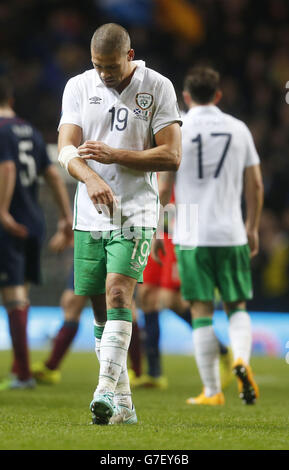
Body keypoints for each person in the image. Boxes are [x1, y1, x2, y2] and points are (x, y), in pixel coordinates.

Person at [57, 23, 182, 425]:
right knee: (100, 309)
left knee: (116, 295)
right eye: (98, 66)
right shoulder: (78, 86)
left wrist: (116, 155)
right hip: (89, 213)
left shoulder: (158, 86)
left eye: (111, 66)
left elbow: (172, 156)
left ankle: (104, 391)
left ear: (129, 56)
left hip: (137, 211)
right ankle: (124, 403)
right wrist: (90, 176)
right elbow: (65, 149)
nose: (104, 74)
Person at [157, 66, 263, 405]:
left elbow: (164, 185)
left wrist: (160, 228)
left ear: (186, 97)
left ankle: (213, 391)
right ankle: (241, 359)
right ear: (218, 95)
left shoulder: (178, 131)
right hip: (231, 231)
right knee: (237, 305)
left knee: (201, 309)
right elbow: (256, 184)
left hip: (190, 234)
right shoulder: (239, 129)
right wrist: (253, 226)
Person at [0, 75, 73, 390]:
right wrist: (65, 217)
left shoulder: (1, 131)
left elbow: (7, 169)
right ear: (11, 99)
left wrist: (2, 210)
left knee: (13, 294)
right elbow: (53, 176)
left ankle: (24, 374)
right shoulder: (28, 129)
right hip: (34, 219)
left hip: (9, 222)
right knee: (21, 293)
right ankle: (20, 368)